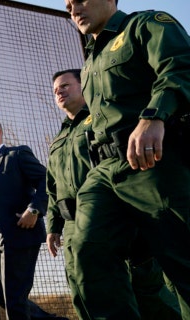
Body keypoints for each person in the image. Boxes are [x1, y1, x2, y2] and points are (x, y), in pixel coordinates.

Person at [64, 0, 190, 318]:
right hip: (105, 172)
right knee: (88, 253)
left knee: (182, 259)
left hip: (153, 161)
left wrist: (154, 116)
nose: (73, 8)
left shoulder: (145, 25)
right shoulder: (90, 60)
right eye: (67, 5)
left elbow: (180, 66)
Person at [46, 69, 180, 319]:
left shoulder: (99, 123)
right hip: (74, 224)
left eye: (65, 85)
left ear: (83, 86)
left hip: (110, 214)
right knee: (82, 288)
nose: (59, 92)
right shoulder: (58, 139)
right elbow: (52, 186)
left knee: (143, 286)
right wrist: (53, 226)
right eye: (55, 90)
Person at [0, 118, 65, 320]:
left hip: (17, 230)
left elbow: (47, 180)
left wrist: (34, 209)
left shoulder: (17, 155)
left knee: (14, 298)